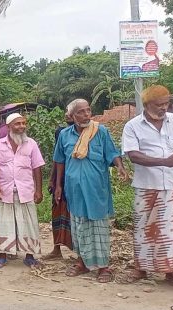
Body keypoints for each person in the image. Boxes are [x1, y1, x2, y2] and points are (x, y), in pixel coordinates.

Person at [53, 99, 128, 283]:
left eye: (88, 110)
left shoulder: (100, 131)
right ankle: (82, 263)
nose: (87, 114)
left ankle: (103, 267)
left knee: (98, 228)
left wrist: (120, 167)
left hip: (96, 190)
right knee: (78, 227)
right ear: (72, 116)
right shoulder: (64, 135)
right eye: (81, 112)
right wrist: (58, 185)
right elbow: (60, 161)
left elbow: (112, 153)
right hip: (74, 190)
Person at [122, 85, 173, 283]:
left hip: (172, 185)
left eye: (166, 103)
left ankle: (170, 270)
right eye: (159, 104)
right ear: (147, 105)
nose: (163, 107)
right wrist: (164, 162)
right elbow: (133, 155)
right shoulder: (133, 126)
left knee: (170, 230)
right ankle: (141, 268)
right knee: (144, 228)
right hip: (146, 186)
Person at [0, 113, 45, 268]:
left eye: (23, 123)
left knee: (29, 223)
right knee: (4, 223)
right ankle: (2, 255)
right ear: (8, 127)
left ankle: (29, 256)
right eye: (17, 124)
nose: (21, 126)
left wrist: (38, 190)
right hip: (5, 190)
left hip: (26, 190)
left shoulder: (31, 144)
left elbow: (37, 167)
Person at [44, 112, 75, 260]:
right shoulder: (60, 132)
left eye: (71, 112)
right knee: (57, 212)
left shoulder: (90, 133)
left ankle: (80, 252)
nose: (67, 114)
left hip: (77, 179)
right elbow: (58, 158)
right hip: (61, 180)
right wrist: (53, 180)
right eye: (67, 112)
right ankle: (56, 249)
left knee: (74, 215)